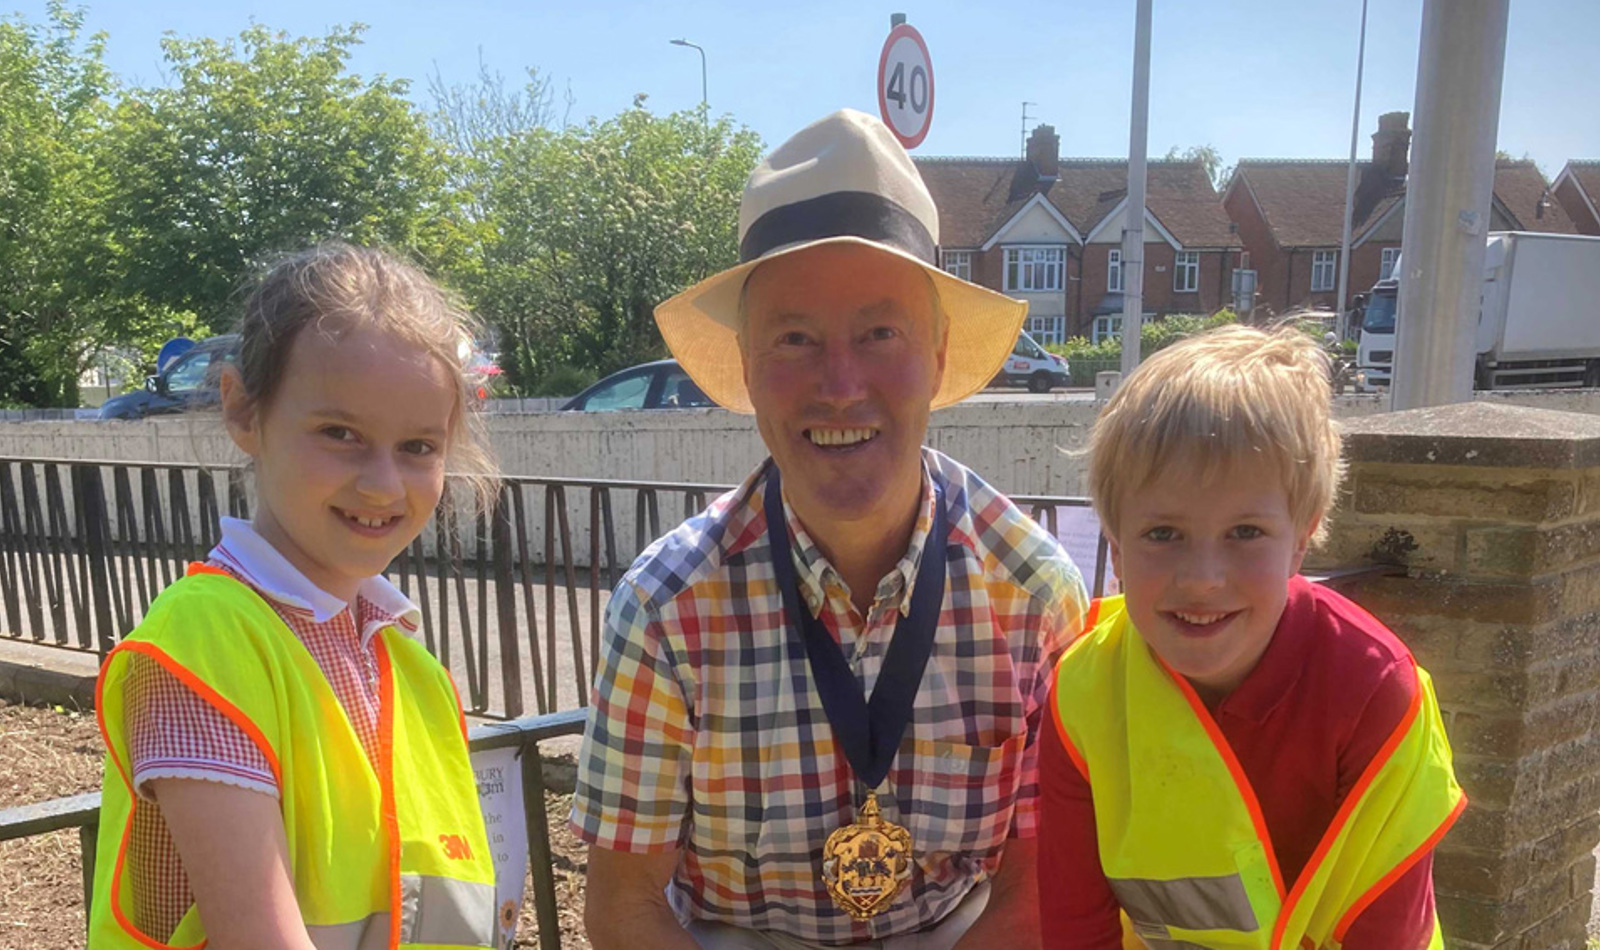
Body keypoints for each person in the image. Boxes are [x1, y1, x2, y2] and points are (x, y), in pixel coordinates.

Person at [572, 109, 1088, 950]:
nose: (840, 385)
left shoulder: (1035, 592)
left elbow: (1035, 894)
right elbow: (625, 906)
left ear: (937, 352)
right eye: (795, 338)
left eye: (879, 333)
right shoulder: (665, 607)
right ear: (746, 368)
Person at [90, 244, 501, 949]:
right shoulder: (203, 644)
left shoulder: (416, 674)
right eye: (339, 434)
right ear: (243, 412)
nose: (382, 484)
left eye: (419, 447)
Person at [1038, 325, 1466, 949]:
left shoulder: (1375, 691)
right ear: (1115, 547)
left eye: (1245, 533)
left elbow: (1385, 927)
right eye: (1162, 534)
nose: (1203, 580)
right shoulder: (1082, 691)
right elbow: (1076, 923)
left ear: (1302, 537)